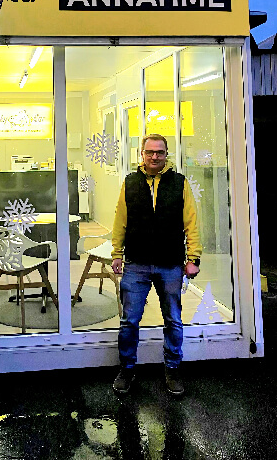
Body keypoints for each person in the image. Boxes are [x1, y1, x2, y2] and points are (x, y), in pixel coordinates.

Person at [111, 134, 202, 396]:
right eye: (149, 152)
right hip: (136, 264)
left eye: (159, 152)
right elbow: (120, 221)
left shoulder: (179, 183)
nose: (154, 157)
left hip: (170, 264)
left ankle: (172, 368)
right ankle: (127, 369)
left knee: (173, 320)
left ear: (166, 154)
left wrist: (193, 258)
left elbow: (191, 223)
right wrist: (117, 254)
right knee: (129, 322)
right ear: (141, 154)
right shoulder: (130, 183)